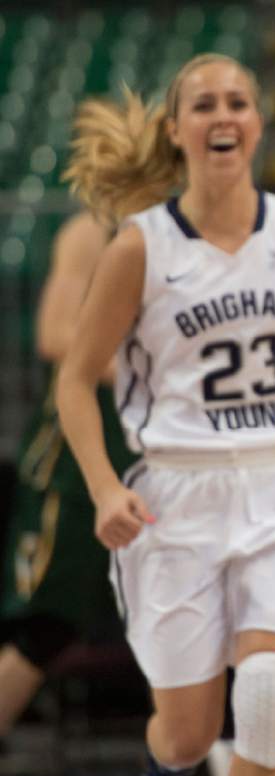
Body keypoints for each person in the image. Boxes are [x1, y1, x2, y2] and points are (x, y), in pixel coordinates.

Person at [56, 53, 275, 776]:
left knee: (264, 698)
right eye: (204, 105)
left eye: (237, 102)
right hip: (176, 494)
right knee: (188, 733)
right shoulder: (140, 246)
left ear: (257, 122)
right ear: (176, 129)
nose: (223, 115)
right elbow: (72, 379)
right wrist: (101, 489)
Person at [0, 212, 137, 745]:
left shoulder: (196, 228)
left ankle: (207, 769)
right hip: (79, 465)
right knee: (47, 627)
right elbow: (57, 335)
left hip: (165, 454)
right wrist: (162, 372)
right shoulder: (92, 230)